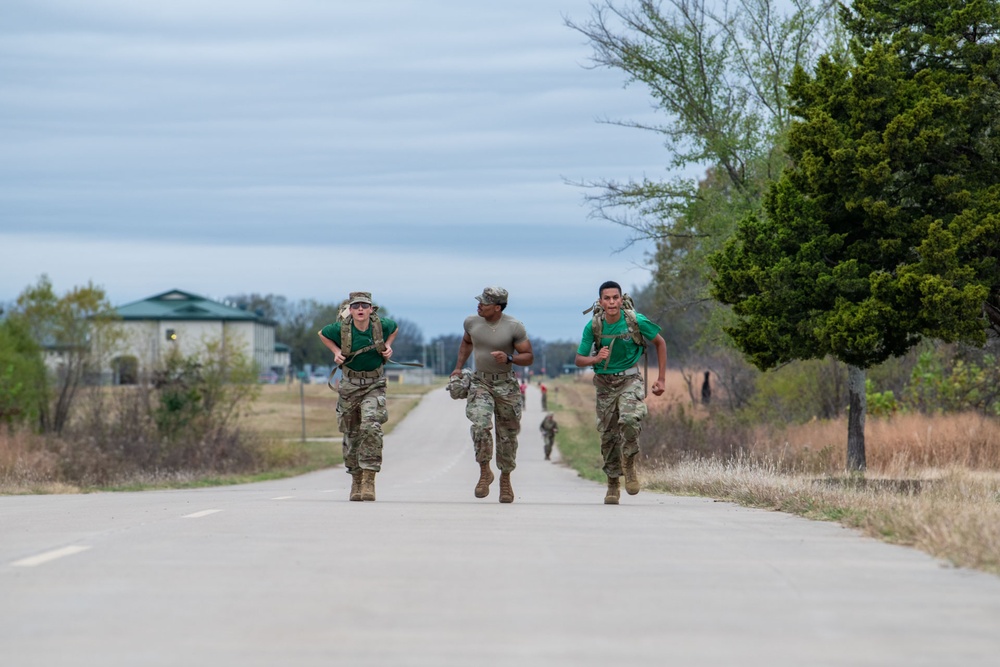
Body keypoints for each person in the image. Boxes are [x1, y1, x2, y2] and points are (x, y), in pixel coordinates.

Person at [575, 280, 666, 505]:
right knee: (608, 436)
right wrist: (595, 359)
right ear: (601, 302)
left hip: (630, 379)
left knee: (629, 420)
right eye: (607, 298)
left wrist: (661, 379)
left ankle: (630, 463)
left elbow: (660, 343)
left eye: (615, 297)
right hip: (605, 384)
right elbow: (579, 359)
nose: (612, 302)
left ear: (621, 299)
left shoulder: (635, 321)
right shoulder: (594, 326)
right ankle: (613, 483)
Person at [451, 286, 534, 503]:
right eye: (479, 301)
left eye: (485, 303)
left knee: (507, 435)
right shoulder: (471, 322)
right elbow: (466, 343)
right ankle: (485, 471)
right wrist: (458, 368)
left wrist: (509, 358)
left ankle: (505, 479)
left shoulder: (514, 327)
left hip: (506, 385)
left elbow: (528, 356)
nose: (479, 305)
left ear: (497, 307)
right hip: (481, 382)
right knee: (480, 425)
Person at [318, 291, 398, 502]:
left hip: (374, 384)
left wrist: (388, 346)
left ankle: (369, 480)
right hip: (349, 384)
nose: (360, 309)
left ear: (371, 309)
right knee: (352, 433)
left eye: (364, 306)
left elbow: (395, 329)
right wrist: (336, 351)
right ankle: (356, 478)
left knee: (371, 426)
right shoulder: (340, 329)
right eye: (356, 306)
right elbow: (322, 334)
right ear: (350, 310)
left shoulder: (381, 325)